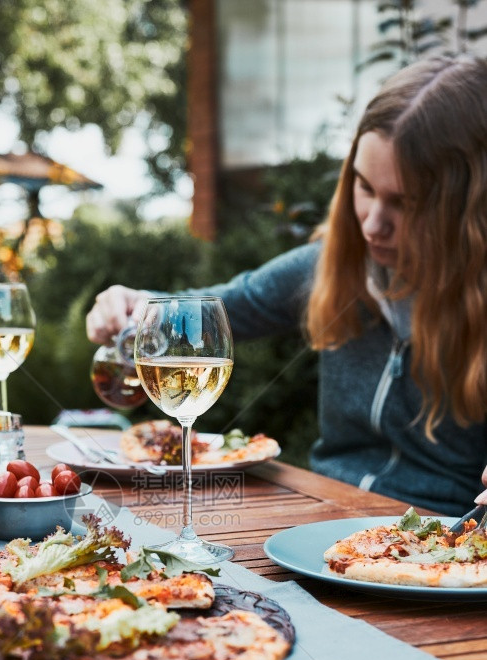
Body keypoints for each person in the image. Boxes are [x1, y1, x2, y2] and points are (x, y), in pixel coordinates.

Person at [86, 55, 487, 517]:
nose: (374, 224)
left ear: (467, 208)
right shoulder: (330, 266)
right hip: (325, 518)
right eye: (364, 187)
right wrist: (134, 306)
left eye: (406, 202)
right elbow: (217, 309)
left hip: (447, 549)